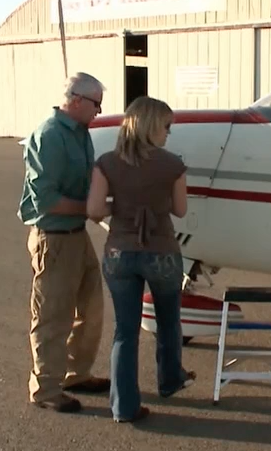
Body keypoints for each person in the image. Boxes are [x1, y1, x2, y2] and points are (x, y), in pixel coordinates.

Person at [86, 95, 195, 423]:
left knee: (125, 329)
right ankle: (170, 379)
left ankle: (124, 406)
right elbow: (180, 210)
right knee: (168, 320)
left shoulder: (107, 162)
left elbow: (93, 210)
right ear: (151, 126)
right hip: (161, 252)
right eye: (166, 126)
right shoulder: (172, 164)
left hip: (119, 253)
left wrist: (118, 208)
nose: (168, 133)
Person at [17, 72, 110, 413]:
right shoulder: (51, 136)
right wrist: (97, 208)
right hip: (54, 238)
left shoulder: (81, 134)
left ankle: (75, 373)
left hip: (76, 233)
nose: (99, 111)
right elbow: (47, 201)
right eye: (96, 103)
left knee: (92, 308)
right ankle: (45, 388)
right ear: (75, 99)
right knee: (52, 316)